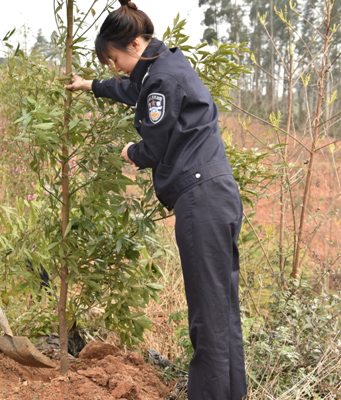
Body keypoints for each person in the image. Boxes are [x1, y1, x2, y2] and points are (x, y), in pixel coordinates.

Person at [65, 1, 246, 399]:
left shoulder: (161, 80)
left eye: (114, 59)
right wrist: (90, 86)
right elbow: (132, 90)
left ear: (133, 43)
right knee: (222, 312)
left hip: (201, 201)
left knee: (208, 318)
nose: (114, 68)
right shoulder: (166, 66)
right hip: (216, 194)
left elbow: (155, 143)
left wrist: (131, 152)